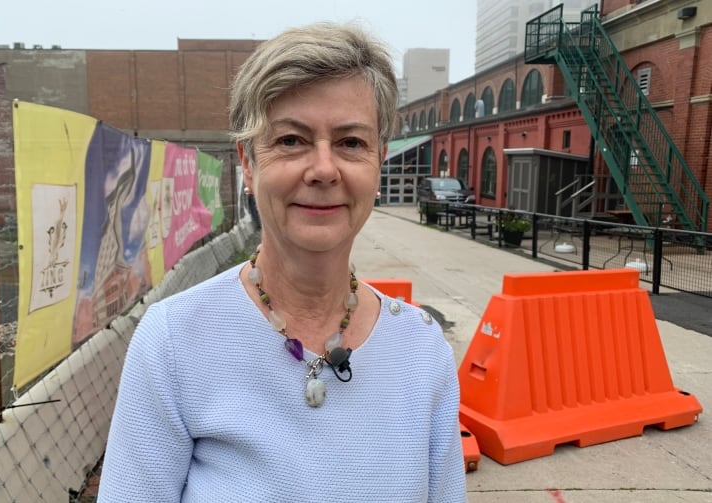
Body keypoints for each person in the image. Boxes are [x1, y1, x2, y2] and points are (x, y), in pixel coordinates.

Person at [98, 22, 466, 502]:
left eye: (351, 143)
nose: (323, 169)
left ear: (380, 164)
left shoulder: (423, 352)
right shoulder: (176, 342)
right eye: (291, 140)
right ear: (247, 163)